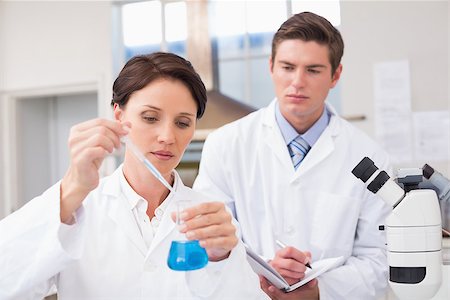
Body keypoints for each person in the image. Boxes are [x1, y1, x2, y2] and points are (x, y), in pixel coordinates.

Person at [0, 52, 267, 299]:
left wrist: (222, 259)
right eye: (150, 118)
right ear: (119, 114)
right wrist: (71, 190)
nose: (167, 137)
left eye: (183, 123)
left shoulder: (211, 218)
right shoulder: (79, 209)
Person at [193, 12, 391, 300]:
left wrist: (318, 290)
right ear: (271, 67)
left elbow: (379, 260)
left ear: (335, 75)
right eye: (287, 67)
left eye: (313, 70)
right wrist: (264, 276)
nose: (297, 82)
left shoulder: (370, 158)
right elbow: (211, 244)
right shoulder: (225, 144)